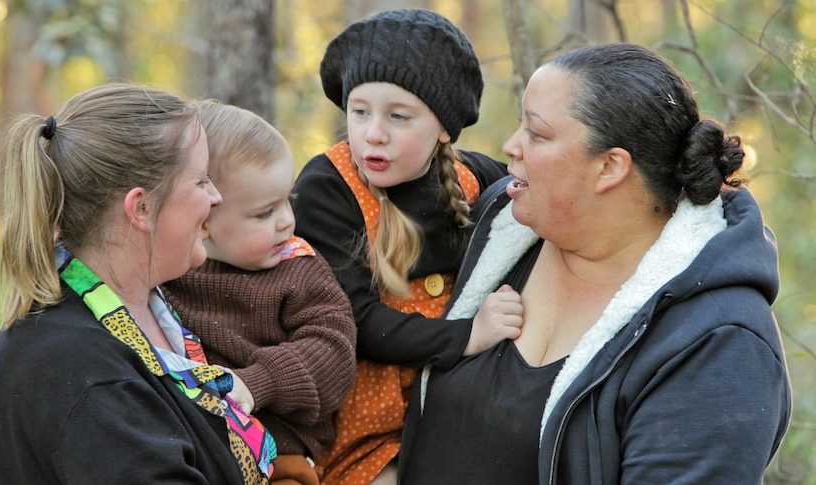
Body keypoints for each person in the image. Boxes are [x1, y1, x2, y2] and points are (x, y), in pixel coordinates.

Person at [399, 42, 792, 484]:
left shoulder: (719, 345)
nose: (511, 146)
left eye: (537, 133)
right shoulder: (500, 225)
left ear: (610, 167)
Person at [0, 83, 277, 484]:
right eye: (202, 180)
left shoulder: (142, 307)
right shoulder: (85, 373)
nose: (216, 197)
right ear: (142, 208)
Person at [292, 8, 519, 485]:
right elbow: (354, 318)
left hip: (456, 403)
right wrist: (467, 336)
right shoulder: (328, 186)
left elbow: (538, 194)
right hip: (368, 420)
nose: (374, 132)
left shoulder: (470, 177)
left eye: (398, 116)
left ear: (442, 128)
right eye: (360, 112)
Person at [160, 100, 357, 485]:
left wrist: (256, 382)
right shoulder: (170, 271)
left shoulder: (297, 267)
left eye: (288, 200)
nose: (287, 220)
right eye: (264, 213)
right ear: (204, 221)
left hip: (279, 460)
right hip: (197, 454)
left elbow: (334, 349)